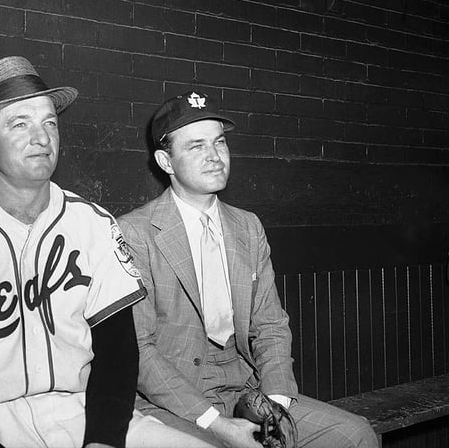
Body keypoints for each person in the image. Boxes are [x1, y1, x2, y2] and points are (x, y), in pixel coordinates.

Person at [0, 57, 212, 448]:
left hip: (86, 413)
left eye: (49, 123)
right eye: (20, 123)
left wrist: (103, 440)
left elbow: (118, 354)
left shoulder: (93, 223)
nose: (41, 137)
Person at [117, 91, 380, 448]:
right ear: (166, 161)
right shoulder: (134, 232)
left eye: (219, 143)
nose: (214, 157)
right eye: (196, 146)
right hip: (172, 401)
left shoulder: (247, 227)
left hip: (245, 387)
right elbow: (140, 350)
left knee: (356, 435)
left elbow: (271, 325)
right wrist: (217, 425)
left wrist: (277, 404)